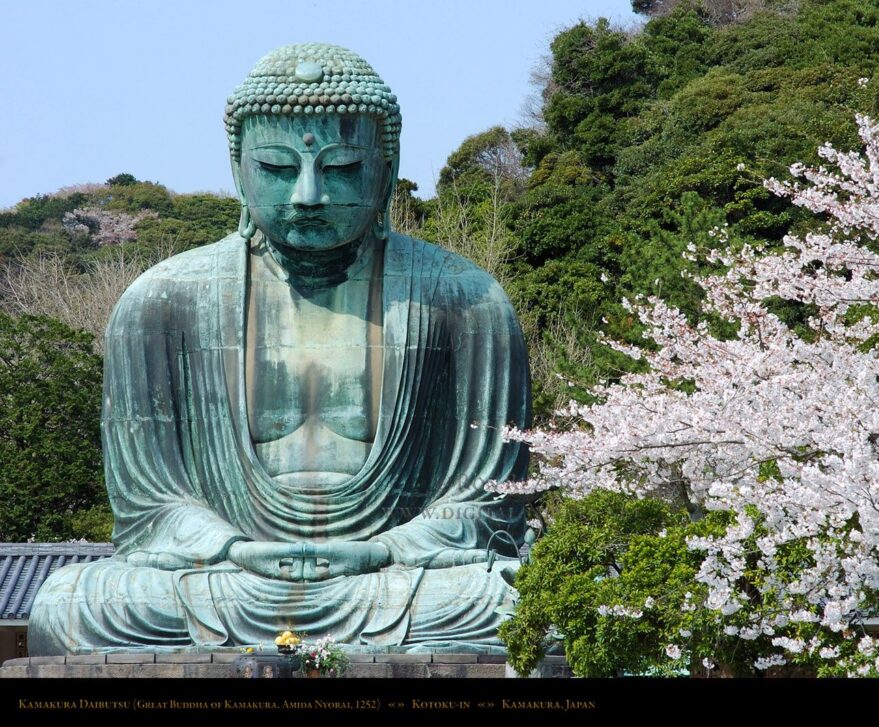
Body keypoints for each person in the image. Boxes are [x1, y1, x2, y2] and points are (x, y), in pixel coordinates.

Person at [28, 43, 531, 655]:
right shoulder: (162, 302)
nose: (309, 195)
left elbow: (486, 504)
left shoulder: (465, 300)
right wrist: (235, 549)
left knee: (521, 603)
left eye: (342, 168)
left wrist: (382, 549)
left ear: (387, 167)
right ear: (238, 168)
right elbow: (149, 506)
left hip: (395, 578)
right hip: (227, 577)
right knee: (72, 606)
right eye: (277, 167)